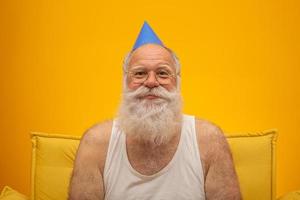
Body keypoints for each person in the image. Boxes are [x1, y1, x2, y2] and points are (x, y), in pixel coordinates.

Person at [68, 21, 241, 200]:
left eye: (163, 73)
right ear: (125, 82)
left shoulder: (209, 139)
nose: (151, 82)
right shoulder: (95, 143)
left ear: (177, 83)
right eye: (140, 73)